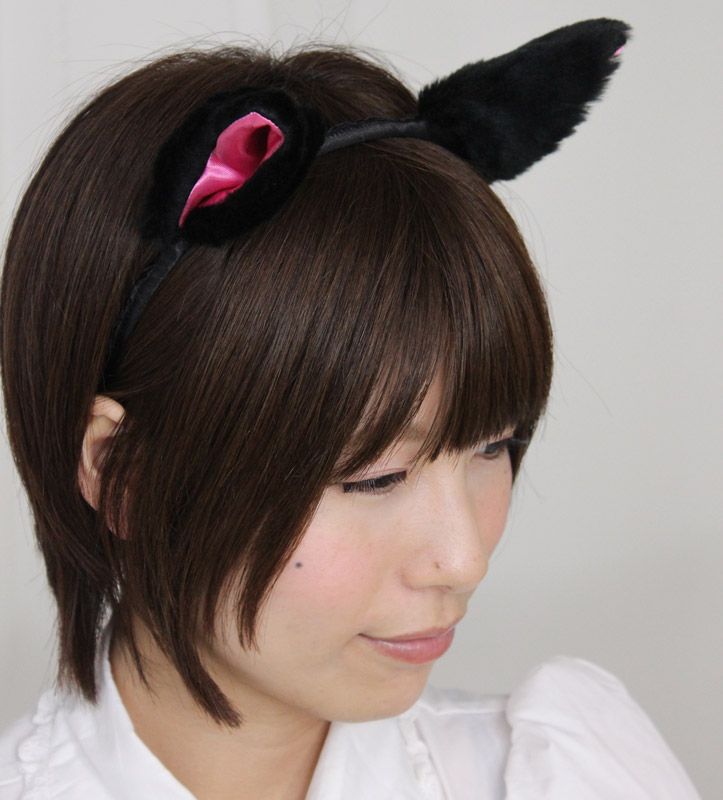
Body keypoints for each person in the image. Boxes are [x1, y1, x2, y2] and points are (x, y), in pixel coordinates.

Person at [0, 18, 701, 800]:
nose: (463, 559)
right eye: (376, 476)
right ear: (124, 473)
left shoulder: (558, 778)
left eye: (493, 446)